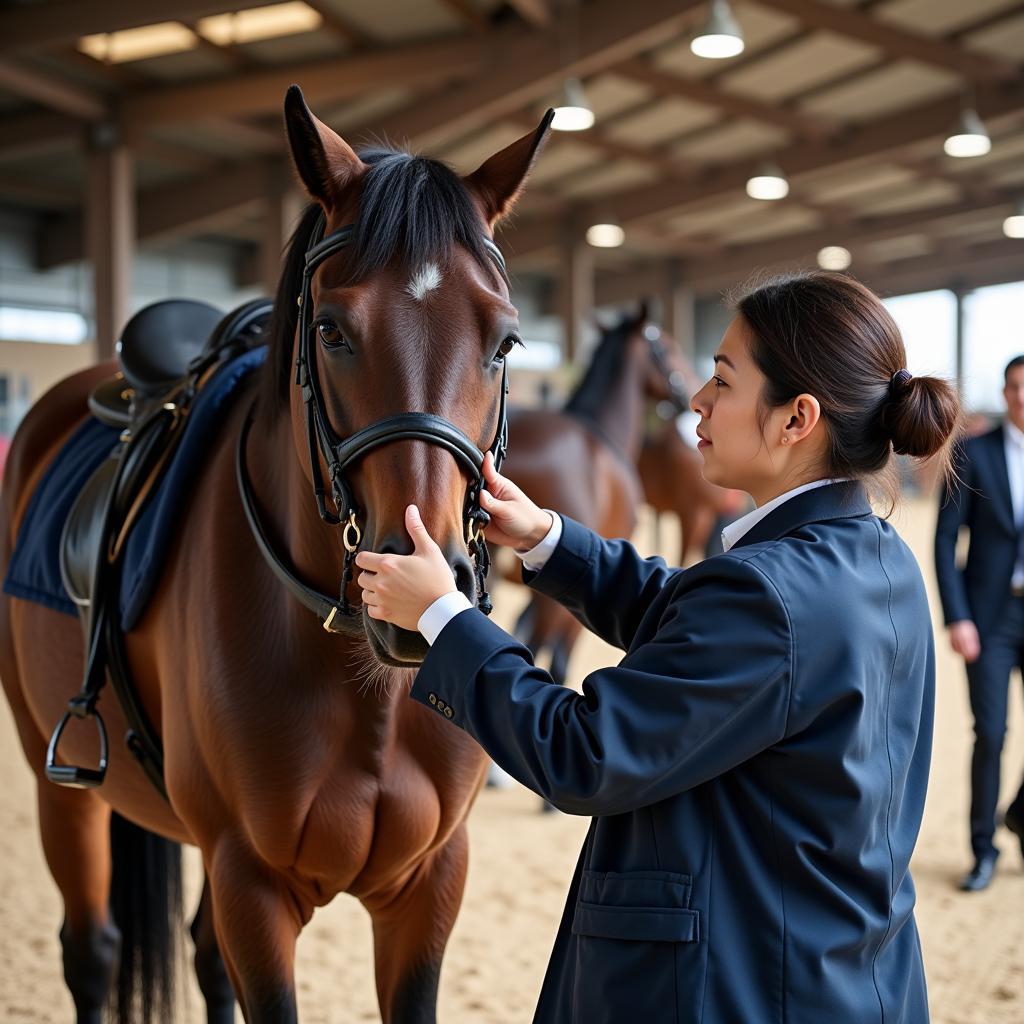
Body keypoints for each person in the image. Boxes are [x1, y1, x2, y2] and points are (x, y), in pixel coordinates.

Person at [356, 271, 960, 1023]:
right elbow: (695, 625)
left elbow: (583, 754)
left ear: (795, 419)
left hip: (735, 990)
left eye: (722, 381)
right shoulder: (873, 556)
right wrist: (549, 541)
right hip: (837, 974)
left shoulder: (767, 596)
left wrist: (444, 617)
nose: (697, 403)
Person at [934, 356, 1024, 892]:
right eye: (1015, 387)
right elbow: (946, 539)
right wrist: (958, 616)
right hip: (990, 618)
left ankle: (1020, 816)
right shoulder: (975, 452)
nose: (1023, 397)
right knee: (990, 734)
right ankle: (982, 849)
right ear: (1005, 391)